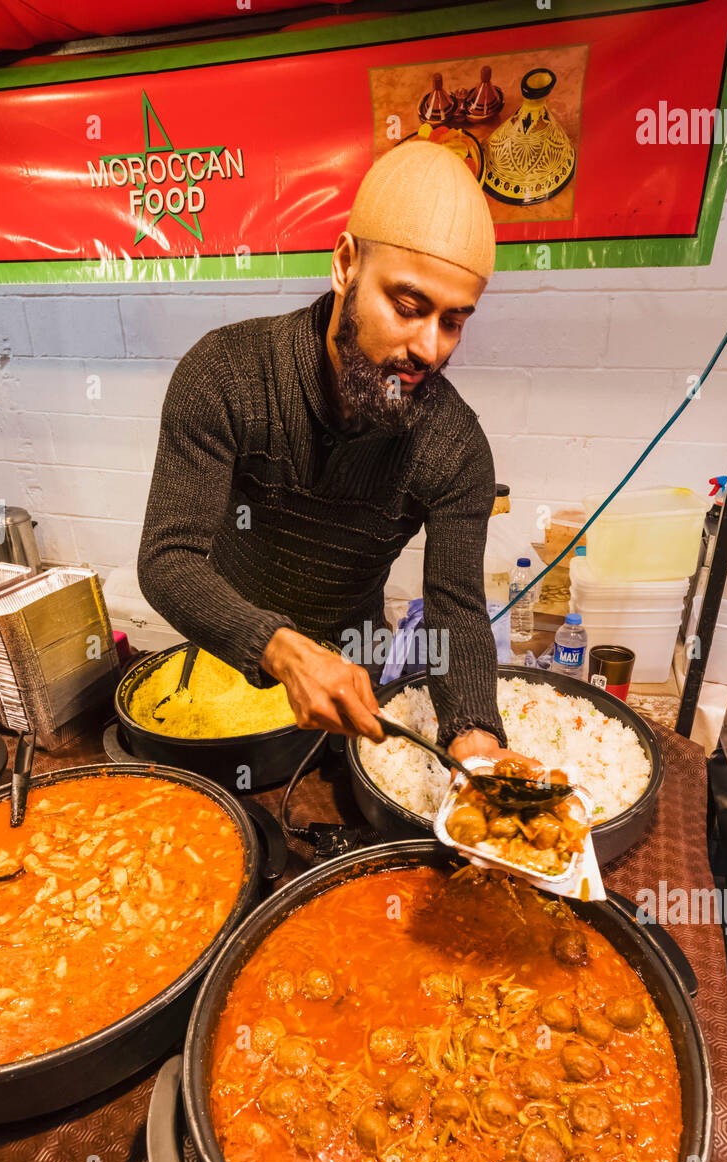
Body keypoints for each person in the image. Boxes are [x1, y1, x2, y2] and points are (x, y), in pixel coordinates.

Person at [138, 138, 507, 763]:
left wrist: (477, 741)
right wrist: (281, 650)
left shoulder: (454, 448)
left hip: (352, 679)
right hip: (228, 662)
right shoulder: (226, 376)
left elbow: (457, 609)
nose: (430, 349)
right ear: (345, 265)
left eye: (452, 321)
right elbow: (168, 559)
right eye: (408, 306)